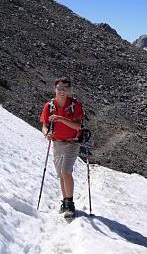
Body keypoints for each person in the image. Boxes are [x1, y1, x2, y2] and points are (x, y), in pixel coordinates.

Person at [39, 77, 84, 217]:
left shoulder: (75, 105)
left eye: (64, 88)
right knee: (61, 174)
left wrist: (60, 118)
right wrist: (47, 134)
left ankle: (70, 205)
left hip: (72, 142)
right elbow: (44, 125)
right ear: (55, 89)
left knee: (66, 172)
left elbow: (78, 126)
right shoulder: (49, 106)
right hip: (57, 142)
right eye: (59, 88)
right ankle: (65, 202)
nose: (62, 91)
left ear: (69, 90)